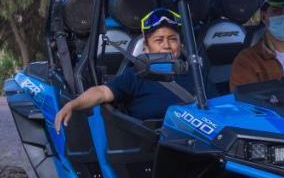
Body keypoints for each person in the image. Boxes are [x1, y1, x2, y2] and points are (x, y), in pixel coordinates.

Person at [54, 8, 187, 131]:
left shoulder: (195, 73)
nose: (166, 45)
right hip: (152, 146)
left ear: (180, 44)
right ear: (146, 47)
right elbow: (101, 92)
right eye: (159, 40)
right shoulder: (135, 75)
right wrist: (72, 105)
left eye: (172, 39)